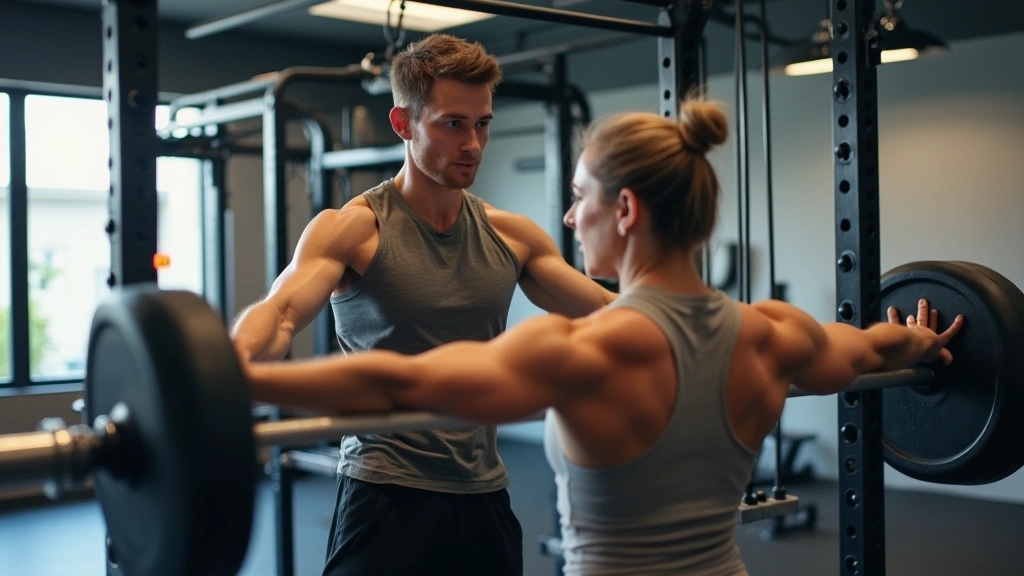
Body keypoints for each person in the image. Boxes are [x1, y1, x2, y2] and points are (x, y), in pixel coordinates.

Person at [243, 99, 964, 575]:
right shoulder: (772, 334)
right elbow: (869, 350)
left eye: (580, 196)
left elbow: (401, 382)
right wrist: (921, 347)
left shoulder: (580, 353)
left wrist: (227, 376)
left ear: (623, 210)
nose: (566, 217)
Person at [230, 34, 616, 576]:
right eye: (452, 123)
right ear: (402, 123)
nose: (474, 144)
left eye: (482, 123)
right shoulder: (353, 230)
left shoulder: (513, 236)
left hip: (483, 493)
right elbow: (282, 313)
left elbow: (611, 312)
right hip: (384, 494)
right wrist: (229, 365)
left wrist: (711, 328)